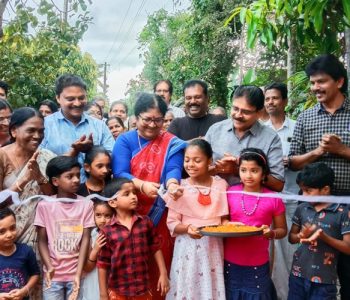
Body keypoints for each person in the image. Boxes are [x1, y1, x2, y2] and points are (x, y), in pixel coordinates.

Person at [112, 93, 186, 300]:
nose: (153, 125)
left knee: (161, 263)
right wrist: (141, 184)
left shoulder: (172, 142)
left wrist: (172, 185)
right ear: (136, 118)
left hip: (161, 213)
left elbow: (173, 168)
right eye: (147, 119)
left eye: (158, 120)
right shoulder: (125, 140)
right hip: (131, 213)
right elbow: (119, 172)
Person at [288, 54, 350, 299]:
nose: (315, 88)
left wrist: (342, 150)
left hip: (347, 203)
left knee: (347, 272)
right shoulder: (306, 117)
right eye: (312, 83)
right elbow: (293, 162)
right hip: (313, 204)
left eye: (321, 81)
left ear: (340, 82)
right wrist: (319, 151)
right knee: (311, 270)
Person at [165, 139, 228, 299]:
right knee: (187, 287)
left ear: (209, 161)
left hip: (213, 247)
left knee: (211, 286)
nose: (190, 164)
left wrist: (233, 226)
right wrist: (187, 228)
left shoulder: (221, 185)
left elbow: (224, 219)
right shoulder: (180, 188)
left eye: (197, 160)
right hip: (187, 248)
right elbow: (172, 223)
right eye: (187, 160)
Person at [225, 148, 287, 300]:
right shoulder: (230, 192)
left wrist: (271, 233)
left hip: (258, 262)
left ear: (264, 173)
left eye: (254, 170)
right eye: (243, 170)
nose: (248, 175)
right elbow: (222, 221)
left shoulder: (273, 198)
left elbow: (282, 230)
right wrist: (230, 225)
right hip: (230, 260)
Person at [97, 178, 170, 300]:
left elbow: (156, 248)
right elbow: (102, 264)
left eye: (134, 193)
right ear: (113, 202)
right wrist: (103, 294)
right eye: (126, 194)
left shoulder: (145, 222)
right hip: (118, 290)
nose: (133, 197)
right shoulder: (107, 231)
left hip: (142, 289)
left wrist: (163, 274)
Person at [35, 156, 95, 300]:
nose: (76, 180)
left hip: (76, 274)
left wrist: (78, 274)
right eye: (69, 176)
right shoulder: (45, 205)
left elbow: (85, 241)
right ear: (55, 181)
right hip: (53, 276)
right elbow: (42, 241)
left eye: (77, 175)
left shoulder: (86, 204)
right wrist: (49, 267)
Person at [288, 162, 350, 300]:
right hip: (297, 276)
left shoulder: (343, 212)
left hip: (325, 282)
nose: (303, 195)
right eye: (301, 191)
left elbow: (348, 248)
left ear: (325, 189)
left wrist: (323, 237)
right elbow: (291, 238)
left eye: (308, 191)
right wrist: (300, 235)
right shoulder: (302, 208)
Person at [206, 85, 284, 191]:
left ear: (259, 113)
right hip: (216, 200)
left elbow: (278, 184)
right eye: (235, 109)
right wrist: (218, 168)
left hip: (252, 204)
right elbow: (198, 170)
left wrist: (238, 169)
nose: (238, 115)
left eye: (246, 112)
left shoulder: (270, 138)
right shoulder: (215, 130)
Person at [41, 74, 114, 182]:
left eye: (81, 98)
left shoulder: (99, 126)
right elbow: (40, 163)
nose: (77, 103)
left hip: (94, 193)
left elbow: (112, 156)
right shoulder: (45, 125)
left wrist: (93, 151)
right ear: (58, 98)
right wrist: (74, 151)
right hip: (57, 195)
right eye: (70, 99)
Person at [264, 82, 299, 299]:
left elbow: (306, 158)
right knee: (266, 250)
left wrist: (291, 161)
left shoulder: (296, 127)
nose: (270, 102)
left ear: (285, 101)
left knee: (289, 251)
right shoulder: (260, 129)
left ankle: (289, 294)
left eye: (275, 98)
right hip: (267, 198)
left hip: (291, 197)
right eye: (267, 99)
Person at [0, 207, 40, 300]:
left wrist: (24, 290)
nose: (9, 234)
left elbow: (35, 274)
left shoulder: (26, 251)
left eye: (12, 228)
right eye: (2, 231)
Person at [81, 200, 114, 300]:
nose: (102, 220)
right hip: (93, 279)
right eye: (98, 215)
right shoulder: (91, 235)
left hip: (111, 279)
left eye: (107, 216)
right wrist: (95, 249)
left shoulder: (116, 234)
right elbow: (86, 267)